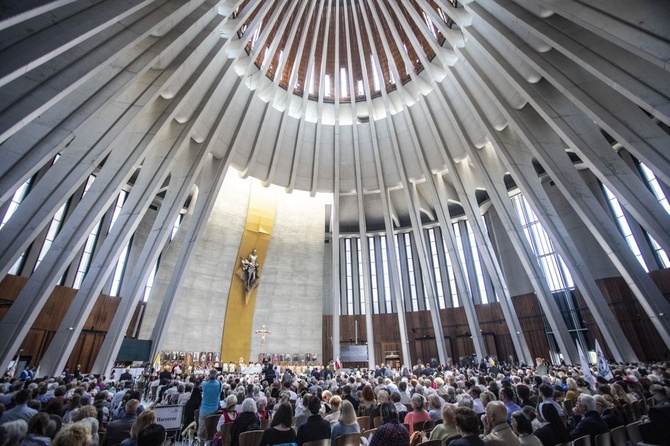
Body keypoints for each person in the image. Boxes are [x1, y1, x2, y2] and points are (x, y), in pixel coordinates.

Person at [199, 369, 222, 444]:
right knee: (213, 431)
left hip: (204, 410)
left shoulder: (204, 384)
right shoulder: (219, 384)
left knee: (202, 432)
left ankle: (201, 443)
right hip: (214, 411)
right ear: (216, 376)